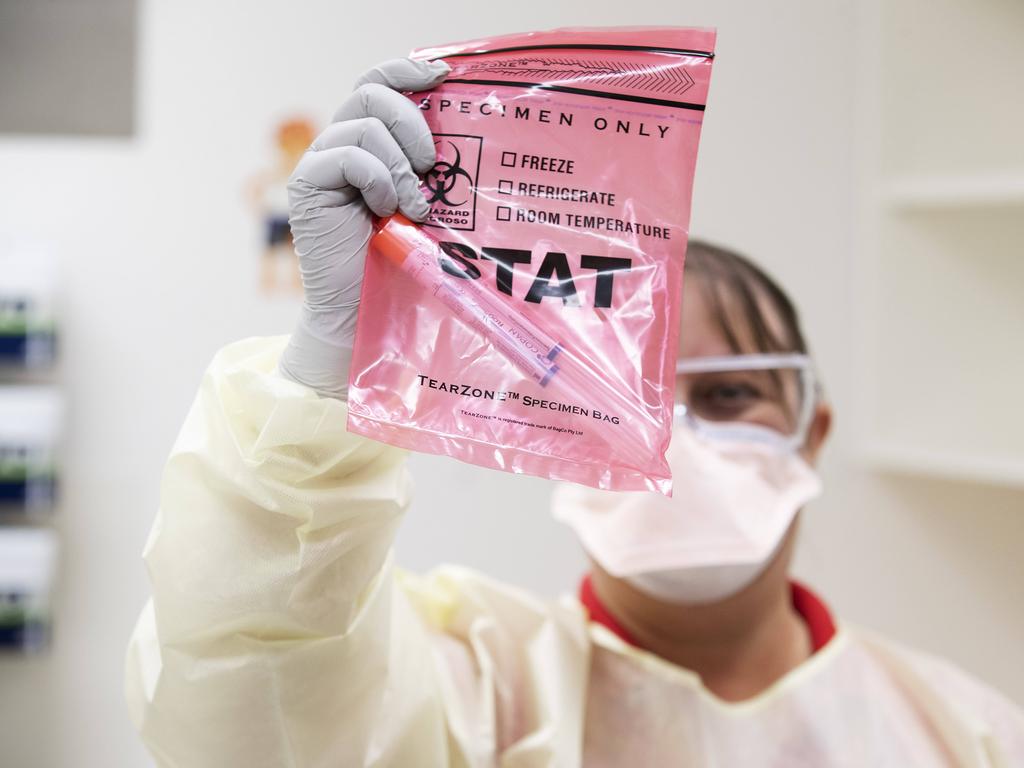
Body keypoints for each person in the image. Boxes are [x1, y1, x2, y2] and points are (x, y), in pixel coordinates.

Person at [125, 58, 1024, 767]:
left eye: (729, 395)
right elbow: (251, 695)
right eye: (622, 394)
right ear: (550, 427)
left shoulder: (965, 733)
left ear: (811, 431)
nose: (673, 438)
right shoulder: (475, 687)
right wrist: (333, 359)